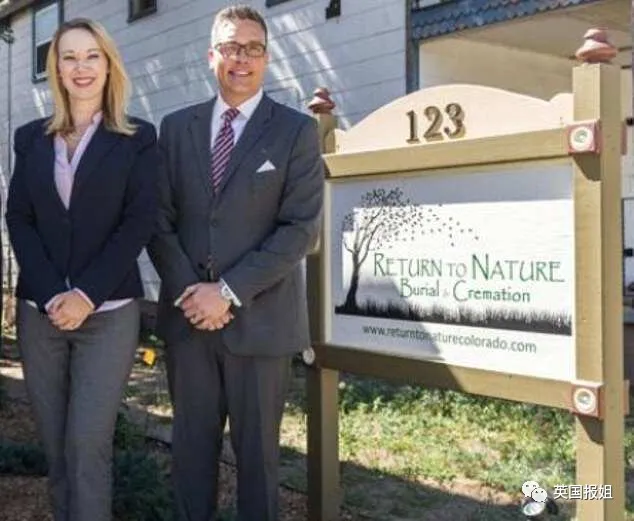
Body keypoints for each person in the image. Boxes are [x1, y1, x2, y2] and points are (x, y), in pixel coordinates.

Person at [147, 4, 324, 521]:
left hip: (262, 325)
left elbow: (300, 230)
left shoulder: (295, 131)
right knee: (190, 459)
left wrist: (225, 292)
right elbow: (158, 221)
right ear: (211, 56)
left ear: (266, 57)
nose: (241, 58)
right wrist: (193, 294)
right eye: (230, 47)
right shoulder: (175, 129)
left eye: (252, 48)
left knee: (259, 464)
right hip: (189, 326)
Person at [5, 18, 158, 521]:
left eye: (92, 55)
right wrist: (53, 294)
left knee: (87, 446)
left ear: (109, 64)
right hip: (40, 313)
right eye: (69, 56)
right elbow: (19, 218)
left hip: (108, 313)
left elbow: (138, 222)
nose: (81, 67)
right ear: (56, 68)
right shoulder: (30, 139)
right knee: (56, 448)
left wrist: (85, 294)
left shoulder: (137, 138)